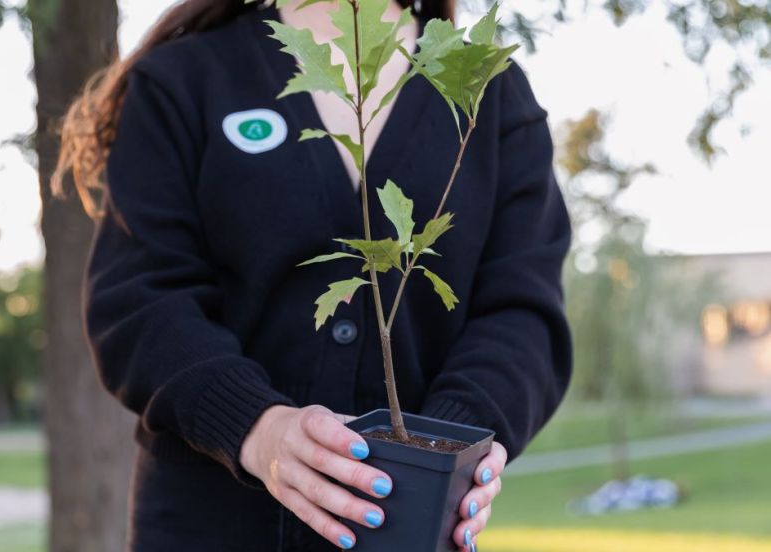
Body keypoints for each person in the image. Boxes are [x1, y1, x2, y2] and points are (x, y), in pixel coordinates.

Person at [53, 0, 573, 550]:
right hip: (206, 522)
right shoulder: (186, 77)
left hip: (409, 530)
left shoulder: (487, 89)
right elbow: (139, 299)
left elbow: (523, 310)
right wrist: (257, 426)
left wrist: (449, 445)